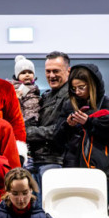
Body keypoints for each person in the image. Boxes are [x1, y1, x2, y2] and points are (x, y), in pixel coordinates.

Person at [58, 64, 109, 188]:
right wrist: (68, 126)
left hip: (104, 167)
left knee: (102, 205)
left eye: (81, 87)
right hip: (73, 167)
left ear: (93, 85)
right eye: (73, 88)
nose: (77, 92)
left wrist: (90, 123)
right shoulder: (68, 105)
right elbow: (57, 139)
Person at [27, 51, 70, 185]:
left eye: (56, 71)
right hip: (36, 159)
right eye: (48, 71)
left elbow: (59, 130)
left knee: (48, 204)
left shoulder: (72, 97)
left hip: (55, 161)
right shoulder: (45, 96)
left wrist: (26, 132)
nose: (51, 76)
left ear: (68, 71)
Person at [12, 55, 41, 129]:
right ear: (17, 76)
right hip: (25, 123)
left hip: (35, 122)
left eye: (30, 72)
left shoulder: (34, 89)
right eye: (23, 73)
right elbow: (13, 110)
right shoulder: (17, 89)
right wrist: (17, 98)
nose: (27, 75)